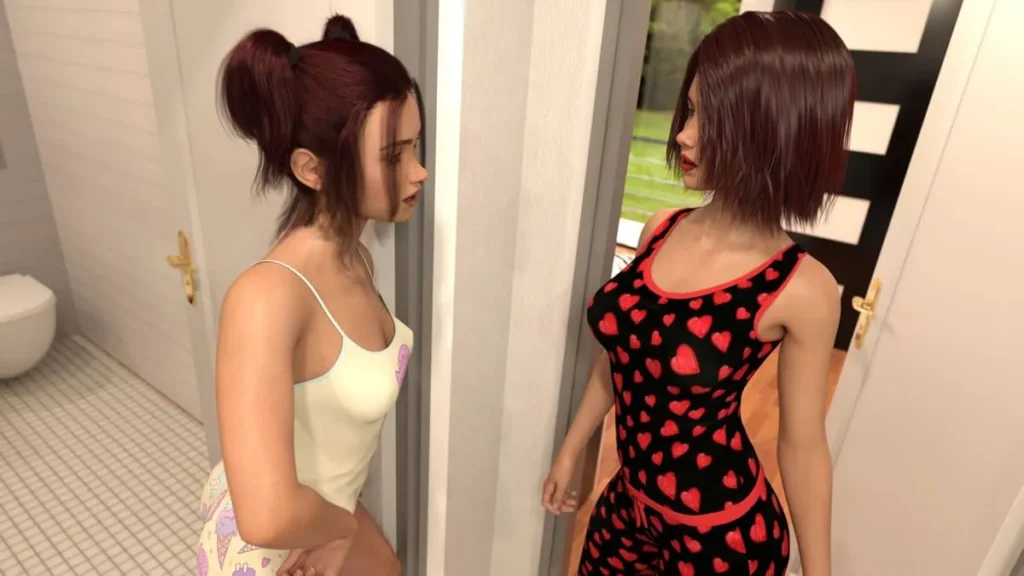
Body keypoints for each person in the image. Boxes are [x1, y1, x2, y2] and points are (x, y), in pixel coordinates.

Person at [543, 10, 853, 576]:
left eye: (713, 120)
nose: (684, 134)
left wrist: (820, 572)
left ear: (772, 133)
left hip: (721, 535)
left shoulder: (800, 286)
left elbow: (803, 445)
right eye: (690, 110)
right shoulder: (660, 229)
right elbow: (622, 355)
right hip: (629, 505)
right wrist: (573, 448)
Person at [194, 14, 426, 576]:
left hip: (325, 518)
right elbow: (268, 516)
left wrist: (344, 528)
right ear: (311, 169)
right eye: (393, 156)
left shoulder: (358, 257)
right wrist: (342, 529)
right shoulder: (266, 299)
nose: (420, 172)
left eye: (416, 147)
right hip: (277, 554)